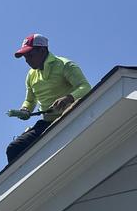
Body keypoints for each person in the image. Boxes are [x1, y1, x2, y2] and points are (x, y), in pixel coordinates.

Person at [6, 33, 91, 163]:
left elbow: (85, 87)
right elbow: (30, 100)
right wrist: (25, 110)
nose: (27, 60)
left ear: (42, 50)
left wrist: (69, 98)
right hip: (48, 122)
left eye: (30, 55)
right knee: (14, 149)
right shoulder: (31, 75)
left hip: (71, 116)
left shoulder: (65, 65)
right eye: (25, 57)